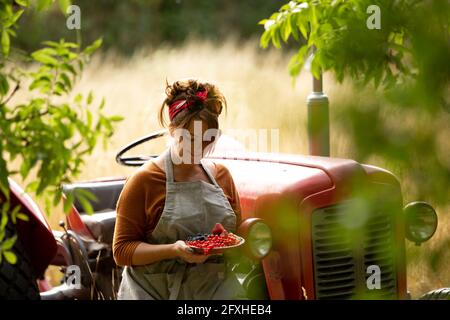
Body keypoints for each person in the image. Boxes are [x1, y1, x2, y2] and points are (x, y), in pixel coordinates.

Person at [113, 79, 247, 300]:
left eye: (208, 140)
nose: (199, 149)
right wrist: (174, 250)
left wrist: (225, 239)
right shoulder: (144, 181)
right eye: (191, 139)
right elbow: (122, 251)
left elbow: (238, 237)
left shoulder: (222, 176)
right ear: (172, 130)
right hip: (154, 292)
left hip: (211, 290)